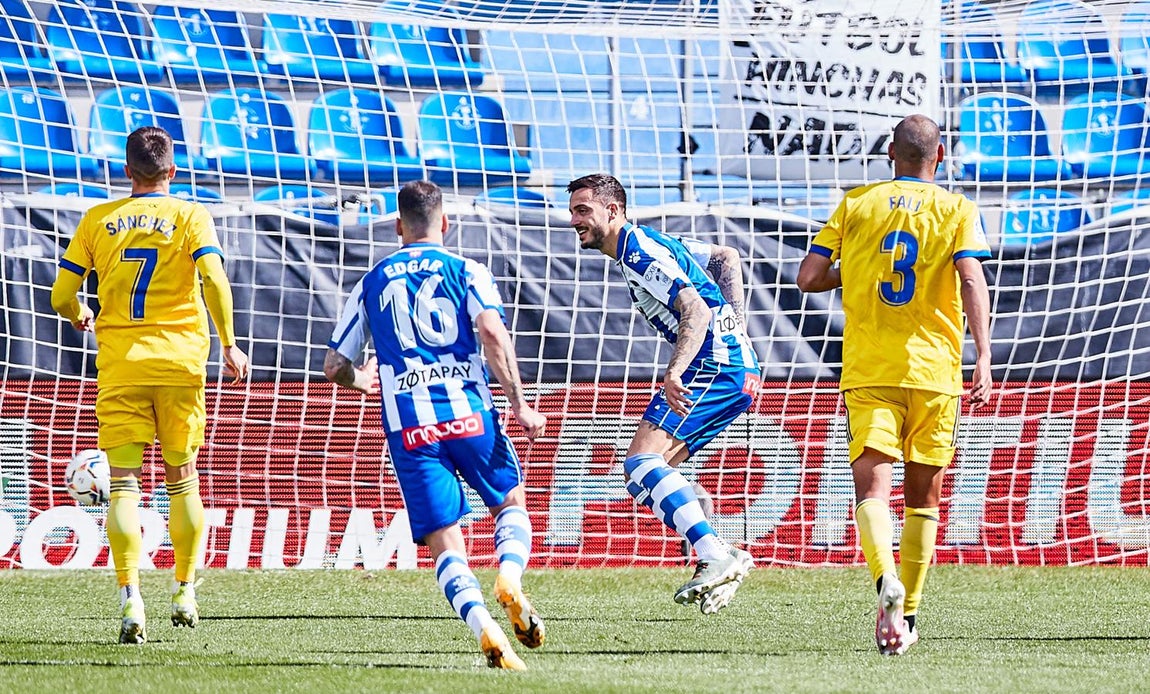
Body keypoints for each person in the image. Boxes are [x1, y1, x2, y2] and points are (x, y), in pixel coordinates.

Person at [324, 180, 548, 671]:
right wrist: (520, 404)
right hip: (471, 415)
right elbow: (491, 331)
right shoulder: (467, 270)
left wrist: (367, 381)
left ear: (399, 227)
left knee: (446, 543)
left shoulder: (372, 281)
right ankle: (509, 576)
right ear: (444, 222)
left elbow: (334, 365)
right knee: (511, 504)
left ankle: (484, 627)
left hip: (410, 430)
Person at [796, 114, 992, 655]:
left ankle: (884, 581)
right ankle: (907, 616)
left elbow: (808, 277)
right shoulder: (958, 209)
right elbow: (971, 276)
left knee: (872, 492)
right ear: (941, 155)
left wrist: (854, 270)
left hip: (870, 369)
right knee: (924, 498)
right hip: (934, 372)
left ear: (889, 152)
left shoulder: (856, 202)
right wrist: (985, 357)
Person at [50, 126, 250, 644]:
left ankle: (130, 598)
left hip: (122, 366)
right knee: (183, 479)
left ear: (125, 172)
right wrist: (228, 342)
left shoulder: (98, 220)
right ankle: (184, 588)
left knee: (123, 485)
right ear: (174, 172)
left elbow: (60, 293)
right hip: (180, 365)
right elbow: (214, 280)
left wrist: (79, 312)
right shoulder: (191, 216)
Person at [566, 173, 759, 615]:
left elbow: (692, 307)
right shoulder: (658, 242)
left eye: (583, 210)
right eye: (573, 210)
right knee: (655, 475)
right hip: (733, 364)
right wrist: (741, 335)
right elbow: (726, 258)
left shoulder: (637, 252)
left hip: (712, 365)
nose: (573, 220)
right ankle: (719, 555)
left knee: (640, 464)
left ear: (612, 210)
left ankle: (715, 554)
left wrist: (676, 370)